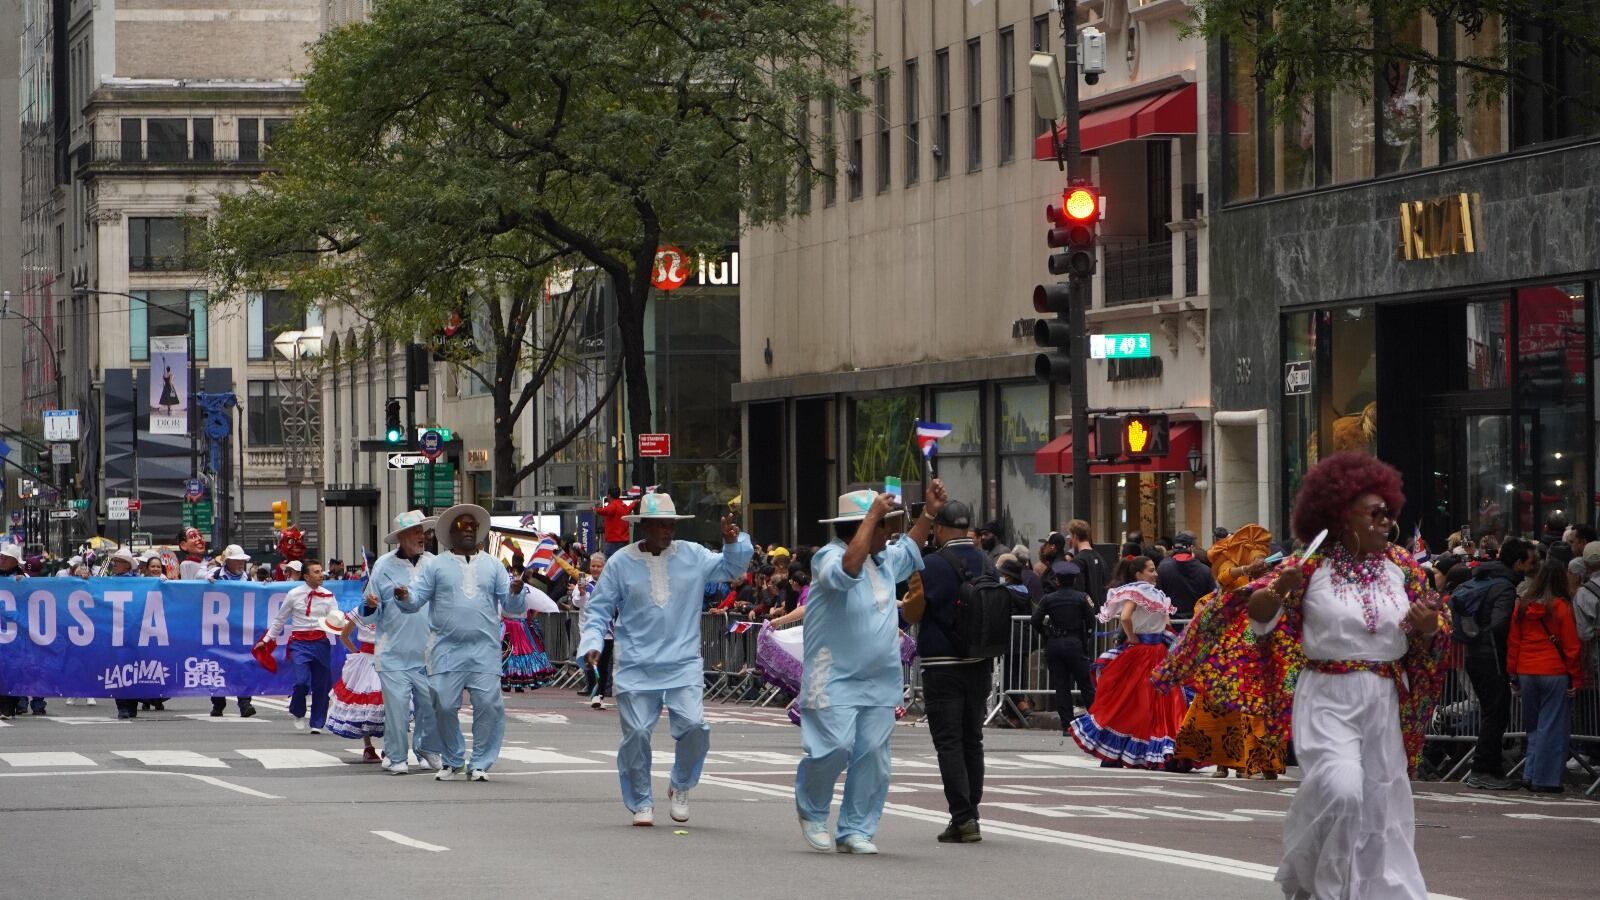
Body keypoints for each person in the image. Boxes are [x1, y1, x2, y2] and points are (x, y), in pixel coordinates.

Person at [1157, 452, 1450, 900]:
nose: (1385, 523)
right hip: (1328, 695)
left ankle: (1378, 891)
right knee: (1342, 790)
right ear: (1340, 515)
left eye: (1388, 514)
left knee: (1380, 804)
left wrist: (1427, 623)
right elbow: (1257, 616)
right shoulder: (1312, 564)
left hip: (1384, 697)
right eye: (1374, 514)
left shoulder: (1404, 568)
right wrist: (1278, 590)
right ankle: (1318, 884)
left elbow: (1429, 633)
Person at [577, 492, 752, 827]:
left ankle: (681, 784)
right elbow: (599, 611)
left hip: (682, 662)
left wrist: (733, 543)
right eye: (659, 524)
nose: (666, 530)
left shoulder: (693, 555)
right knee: (638, 734)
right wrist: (592, 643)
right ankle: (642, 800)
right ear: (642, 525)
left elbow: (731, 568)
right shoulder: (620, 563)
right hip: (635, 665)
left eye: (670, 524)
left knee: (695, 727)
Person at [793, 484, 937, 854]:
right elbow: (846, 569)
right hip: (833, 677)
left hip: (879, 678)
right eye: (881, 526)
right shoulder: (827, 557)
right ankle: (812, 811)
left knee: (873, 754)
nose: (889, 534)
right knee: (834, 747)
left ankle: (856, 828)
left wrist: (930, 514)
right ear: (862, 527)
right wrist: (872, 516)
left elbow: (911, 544)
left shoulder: (884, 558)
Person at [393, 504, 525, 782]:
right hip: (445, 649)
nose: (468, 532)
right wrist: (404, 596)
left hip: (485, 650)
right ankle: (453, 759)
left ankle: (480, 763)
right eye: (462, 527)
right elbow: (416, 599)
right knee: (442, 704)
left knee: (489, 705)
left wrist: (515, 591)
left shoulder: (492, 565)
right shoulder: (437, 566)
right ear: (450, 533)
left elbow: (512, 607)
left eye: (473, 528)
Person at [1172, 525, 1283, 779]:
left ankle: (1261, 762)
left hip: (1257, 642)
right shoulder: (1223, 567)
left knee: (1257, 704)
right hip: (1229, 643)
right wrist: (1247, 569)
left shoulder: (1266, 580)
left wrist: (1260, 567)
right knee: (1221, 704)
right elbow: (1225, 577)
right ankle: (1224, 762)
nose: (1257, 557)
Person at [917, 499, 992, 844]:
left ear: (941, 529)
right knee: (971, 737)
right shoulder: (988, 562)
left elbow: (916, 610)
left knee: (948, 741)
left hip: (942, 663)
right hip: (979, 660)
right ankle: (972, 812)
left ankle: (962, 817)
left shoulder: (932, 563)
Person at [1068, 556, 1189, 769]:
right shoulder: (1137, 592)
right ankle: (1132, 751)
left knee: (1139, 701)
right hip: (1145, 652)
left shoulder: (1156, 594)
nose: (1156, 573)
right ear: (1139, 574)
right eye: (1151, 570)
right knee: (1140, 701)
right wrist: (1133, 638)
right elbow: (1125, 617)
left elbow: (1164, 624)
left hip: (1153, 651)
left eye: (1155, 570)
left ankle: (1125, 752)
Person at [361, 510, 442, 775]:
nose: (422, 537)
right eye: (416, 533)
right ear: (401, 537)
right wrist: (370, 603)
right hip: (393, 652)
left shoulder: (434, 564)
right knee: (396, 710)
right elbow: (367, 609)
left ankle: (426, 747)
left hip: (428, 652)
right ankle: (396, 756)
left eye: (423, 532)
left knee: (431, 705)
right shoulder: (383, 566)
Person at [1458, 538, 1535, 790]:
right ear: (1518, 562)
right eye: (1529, 562)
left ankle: (1491, 769)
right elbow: (1500, 622)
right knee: (1496, 713)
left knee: (1494, 712)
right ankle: (1482, 769)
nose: (1530, 567)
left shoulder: (1485, 578)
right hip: (1491, 656)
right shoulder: (1504, 587)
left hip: (1475, 653)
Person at [1507, 557, 1583, 793]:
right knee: (1552, 726)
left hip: (1526, 668)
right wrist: (1575, 677)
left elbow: (1513, 641)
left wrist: (1513, 674)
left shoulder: (1522, 605)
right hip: (1553, 669)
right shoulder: (1561, 606)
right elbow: (1571, 646)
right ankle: (1545, 779)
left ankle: (1530, 773)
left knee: (1533, 727)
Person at [256, 561, 339, 733]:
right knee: (301, 681)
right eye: (316, 572)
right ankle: (298, 710)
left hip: (321, 642)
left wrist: (340, 626)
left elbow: (335, 618)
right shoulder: (294, 594)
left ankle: (317, 723)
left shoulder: (328, 595)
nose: (321, 574)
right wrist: (266, 639)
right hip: (299, 643)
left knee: (321, 685)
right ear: (307, 576)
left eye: (321, 571)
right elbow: (280, 619)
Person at [1031, 559, 1096, 734]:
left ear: (1057, 580)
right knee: (1085, 683)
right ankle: (1096, 721)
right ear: (1074, 580)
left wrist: (1046, 633)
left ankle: (1067, 725)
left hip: (1055, 643)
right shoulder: (1082, 598)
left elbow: (1035, 619)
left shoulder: (1048, 599)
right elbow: (1091, 621)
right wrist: (1086, 638)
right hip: (1075, 642)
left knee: (1061, 685)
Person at [325, 609, 385, 762]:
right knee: (364, 703)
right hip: (365, 660)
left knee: (389, 702)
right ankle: (368, 747)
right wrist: (356, 652)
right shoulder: (360, 610)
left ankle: (390, 746)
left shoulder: (391, 608)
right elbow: (344, 635)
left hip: (386, 659)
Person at [206, 544, 257, 718]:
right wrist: (207, 585)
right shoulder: (213, 575)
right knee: (218, 666)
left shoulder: (248, 579)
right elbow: (197, 590)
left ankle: (245, 703)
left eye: (242, 560)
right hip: (218, 630)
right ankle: (218, 703)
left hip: (241, 630)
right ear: (227, 561)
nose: (240, 563)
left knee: (243, 665)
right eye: (237, 560)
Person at [1155, 532, 1218, 620]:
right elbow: (1213, 598)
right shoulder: (1205, 570)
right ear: (1192, 548)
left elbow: (1157, 598)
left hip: (1171, 623)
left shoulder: (1163, 569)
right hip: (1196, 624)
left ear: (1173, 548)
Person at [1067, 520, 1109, 604]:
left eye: (1071, 536)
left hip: (1087, 613)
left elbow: (1079, 591)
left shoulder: (1077, 561)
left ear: (1075, 536)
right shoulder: (1100, 558)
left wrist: (1091, 607)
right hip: (1102, 610)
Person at [594, 486, 637, 557]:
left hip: (613, 542)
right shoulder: (623, 505)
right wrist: (634, 503)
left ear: (609, 495)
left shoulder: (613, 506)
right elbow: (629, 509)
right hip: (624, 542)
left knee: (608, 564)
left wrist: (595, 509)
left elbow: (603, 511)